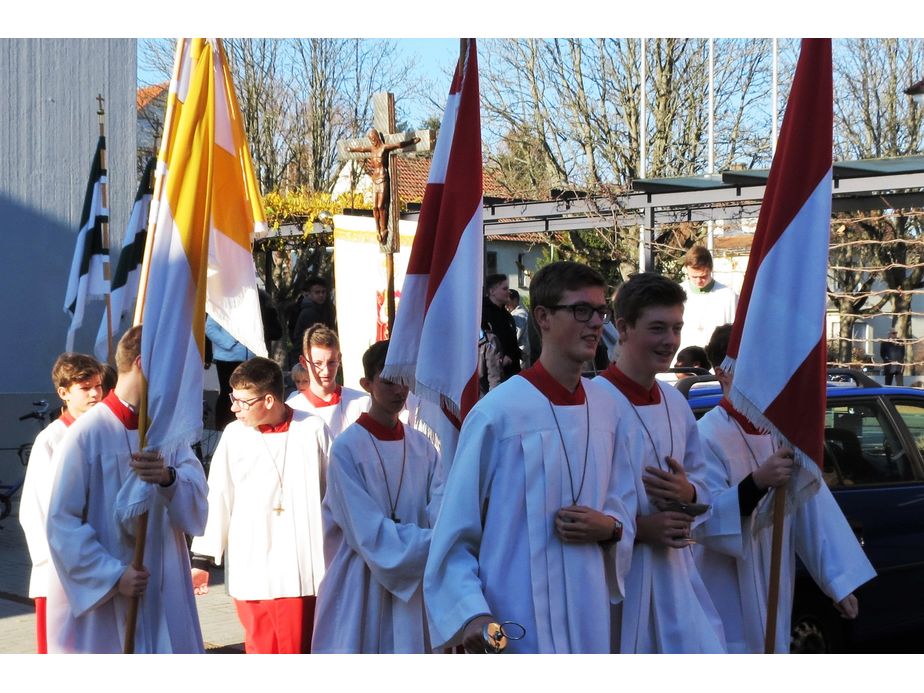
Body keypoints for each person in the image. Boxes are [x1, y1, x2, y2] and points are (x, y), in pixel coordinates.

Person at [425, 261, 635, 654]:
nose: (595, 323)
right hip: (512, 617)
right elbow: (455, 531)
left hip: (588, 614)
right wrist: (473, 613)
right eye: (581, 310)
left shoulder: (608, 409)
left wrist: (610, 528)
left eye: (600, 310)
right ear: (543, 317)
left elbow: (622, 501)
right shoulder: (498, 414)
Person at [693, 324, 876, 653]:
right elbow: (706, 521)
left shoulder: (780, 435)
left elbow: (810, 505)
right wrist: (757, 483)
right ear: (723, 373)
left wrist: (836, 582)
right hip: (724, 587)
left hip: (774, 584)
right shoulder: (704, 436)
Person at [45, 325, 208, 653]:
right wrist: (113, 576)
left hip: (166, 586)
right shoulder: (86, 435)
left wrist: (169, 479)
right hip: (114, 597)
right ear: (142, 363)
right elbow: (61, 523)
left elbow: (197, 504)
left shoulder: (166, 431)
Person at [586, 272, 726, 653]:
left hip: (676, 579)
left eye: (676, 328)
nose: (670, 341)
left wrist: (688, 492)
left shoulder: (676, 403)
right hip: (618, 587)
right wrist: (636, 529)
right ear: (623, 328)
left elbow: (705, 487)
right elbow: (577, 502)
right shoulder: (593, 403)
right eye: (658, 328)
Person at [191, 357, 330, 654]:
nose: (234, 408)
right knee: (258, 648)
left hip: (299, 567)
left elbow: (333, 494)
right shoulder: (234, 435)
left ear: (269, 400)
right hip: (251, 565)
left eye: (243, 402)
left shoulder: (312, 429)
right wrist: (201, 559)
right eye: (233, 399)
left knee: (297, 650)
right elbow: (218, 495)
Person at [312, 340, 441, 653]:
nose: (399, 391)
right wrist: (437, 542)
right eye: (388, 382)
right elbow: (366, 531)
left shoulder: (422, 446)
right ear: (366, 384)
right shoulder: (346, 449)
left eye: (404, 382)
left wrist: (447, 531)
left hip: (415, 582)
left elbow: (440, 504)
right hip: (363, 581)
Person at [19, 353, 103, 653]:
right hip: (60, 572)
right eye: (85, 388)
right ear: (63, 393)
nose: (95, 394)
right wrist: (62, 563)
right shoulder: (50, 440)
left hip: (100, 567)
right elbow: (36, 511)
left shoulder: (106, 433)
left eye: (98, 385)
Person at [287, 323, 369, 440]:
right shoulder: (293, 408)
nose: (326, 371)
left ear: (339, 359)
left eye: (331, 362)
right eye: (318, 363)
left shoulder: (362, 403)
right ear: (304, 362)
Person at [347, 128, 420, 247]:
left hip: (383, 178)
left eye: (373, 138)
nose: (372, 141)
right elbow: (361, 149)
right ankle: (377, 230)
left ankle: (384, 228)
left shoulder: (384, 148)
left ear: (377, 137)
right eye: (370, 139)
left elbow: (397, 145)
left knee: (381, 205)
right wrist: (351, 149)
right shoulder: (372, 149)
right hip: (375, 179)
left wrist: (411, 142)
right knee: (374, 207)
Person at [678, 245, 737, 352]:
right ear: (687, 269)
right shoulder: (677, 294)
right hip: (682, 357)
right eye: (694, 277)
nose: (698, 281)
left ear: (711, 269)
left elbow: (734, 332)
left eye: (703, 276)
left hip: (715, 357)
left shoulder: (728, 296)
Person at [206, 315, 256, 430]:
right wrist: (229, 343)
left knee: (248, 393)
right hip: (227, 358)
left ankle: (243, 425)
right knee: (228, 393)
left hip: (249, 357)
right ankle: (222, 428)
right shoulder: (221, 305)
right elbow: (209, 328)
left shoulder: (250, 306)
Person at [288, 277, 337, 369]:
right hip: (306, 356)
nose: (321, 295)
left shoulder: (326, 308)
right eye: (317, 292)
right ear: (309, 294)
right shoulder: (308, 311)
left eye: (323, 292)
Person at [481, 274, 521, 382]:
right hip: (492, 378)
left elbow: (512, 342)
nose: (509, 292)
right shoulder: (482, 314)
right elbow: (483, 343)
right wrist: (499, 359)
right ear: (492, 291)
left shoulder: (507, 316)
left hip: (511, 375)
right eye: (504, 288)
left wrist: (512, 355)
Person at [507, 289, 531, 369]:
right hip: (524, 354)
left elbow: (514, 338)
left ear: (515, 300)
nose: (506, 305)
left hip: (521, 355)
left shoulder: (519, 315)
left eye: (508, 301)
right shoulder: (523, 312)